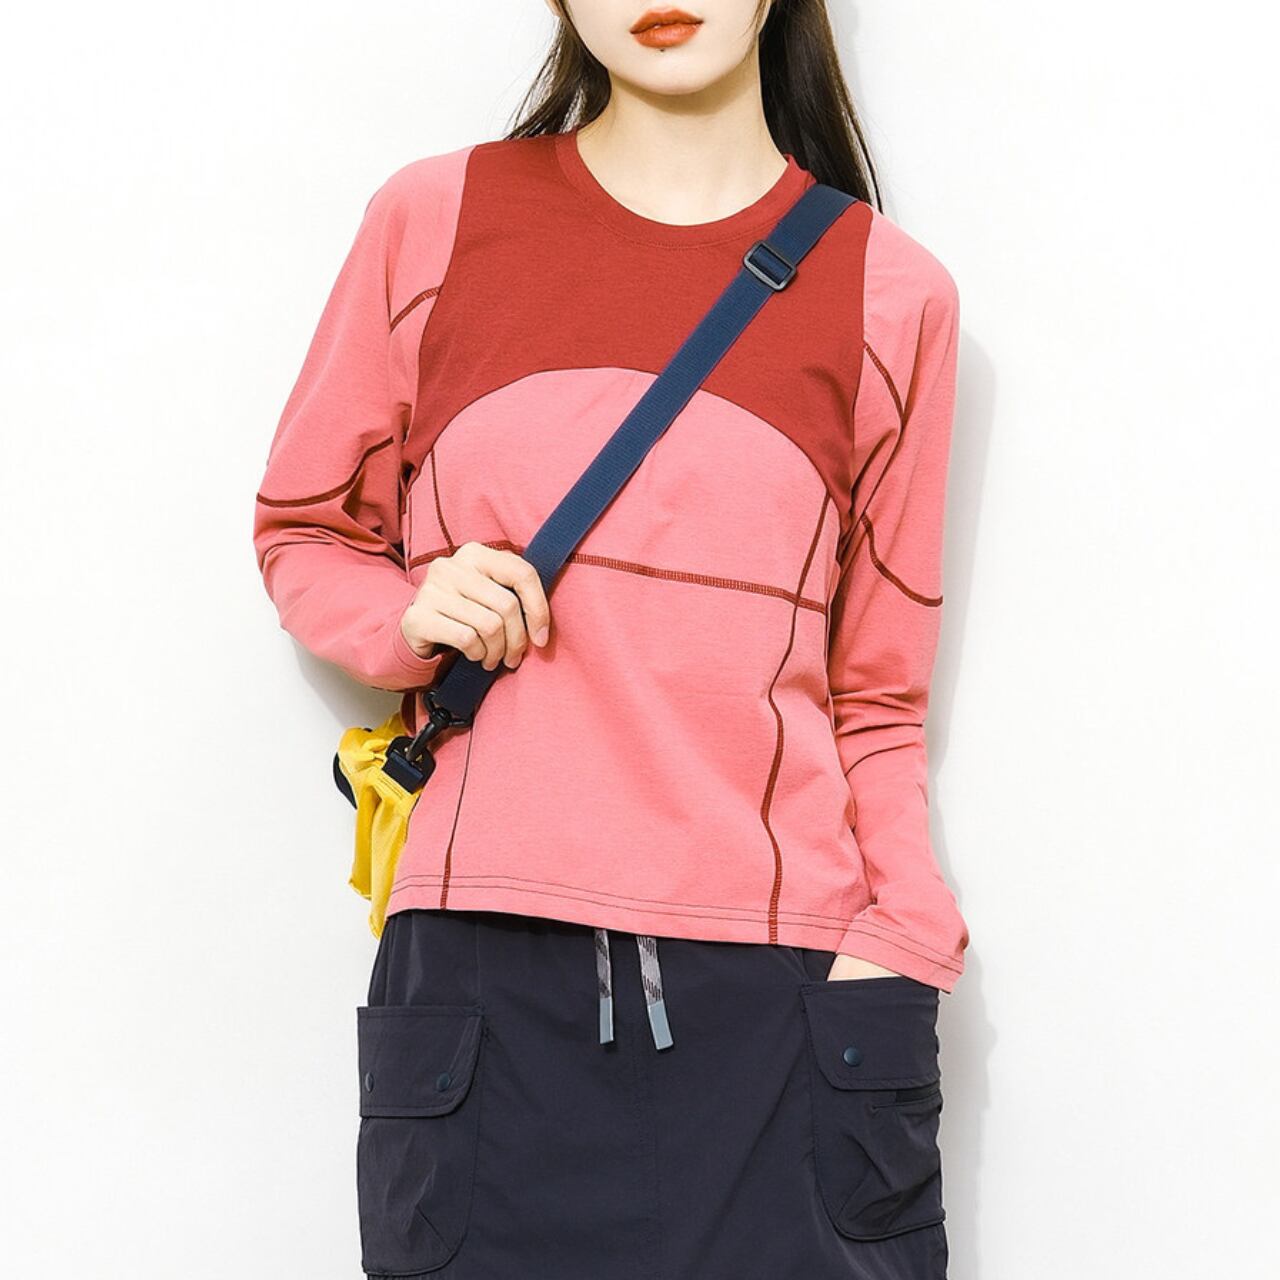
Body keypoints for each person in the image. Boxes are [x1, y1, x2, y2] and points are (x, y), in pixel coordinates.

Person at [252, 2, 970, 1275]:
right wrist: (404, 614)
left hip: (785, 993)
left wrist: (902, 933)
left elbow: (876, 692)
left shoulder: (890, 291)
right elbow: (305, 528)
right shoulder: (435, 219)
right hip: (483, 979)